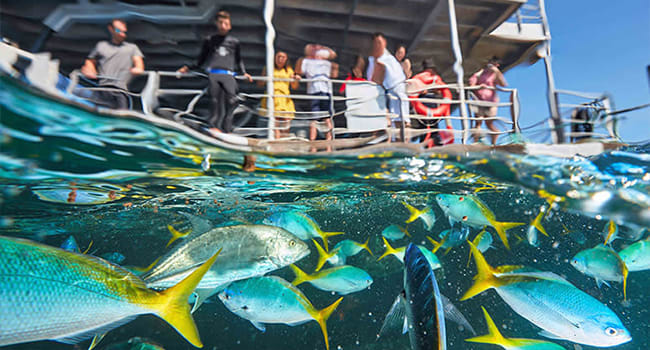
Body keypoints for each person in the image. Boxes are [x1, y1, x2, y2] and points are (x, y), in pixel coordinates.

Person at [178, 10, 252, 134]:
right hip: (214, 74)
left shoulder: (234, 42)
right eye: (221, 23)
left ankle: (227, 128)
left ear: (230, 25)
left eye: (226, 23)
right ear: (217, 24)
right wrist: (188, 68)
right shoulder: (210, 40)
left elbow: (239, 60)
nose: (223, 26)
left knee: (232, 100)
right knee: (214, 100)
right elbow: (201, 59)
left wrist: (244, 73)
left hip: (228, 74)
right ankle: (213, 126)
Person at [81, 19, 144, 109]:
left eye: (123, 32)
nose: (122, 34)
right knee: (97, 114)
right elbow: (90, 60)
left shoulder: (132, 48)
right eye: (118, 31)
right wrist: (90, 69)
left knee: (121, 116)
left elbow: (139, 63)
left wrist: (138, 68)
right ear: (111, 29)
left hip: (121, 90)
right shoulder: (101, 45)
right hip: (102, 89)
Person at [295, 44, 339, 148]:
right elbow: (299, 71)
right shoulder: (306, 61)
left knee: (326, 116)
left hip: (325, 90)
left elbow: (334, 71)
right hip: (313, 90)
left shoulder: (327, 63)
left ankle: (329, 138)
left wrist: (324, 48)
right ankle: (312, 139)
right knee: (314, 116)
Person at [367, 33, 409, 129]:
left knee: (402, 119)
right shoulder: (374, 59)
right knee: (394, 120)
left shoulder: (386, 58)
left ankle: (402, 139)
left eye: (380, 42)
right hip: (385, 90)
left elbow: (378, 75)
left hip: (396, 88)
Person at [258, 51, 300, 139]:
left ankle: (284, 141)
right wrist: (265, 77)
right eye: (278, 57)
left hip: (285, 98)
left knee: (286, 122)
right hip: (274, 97)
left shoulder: (289, 70)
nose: (280, 59)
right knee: (276, 122)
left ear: (286, 59)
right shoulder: (268, 68)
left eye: (283, 57)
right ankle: (277, 142)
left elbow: (294, 86)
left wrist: (295, 79)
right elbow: (260, 84)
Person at [468, 56, 507, 145]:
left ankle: (493, 144)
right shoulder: (480, 73)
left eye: (495, 63)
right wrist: (479, 86)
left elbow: (503, 84)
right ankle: (475, 143)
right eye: (491, 62)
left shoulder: (496, 74)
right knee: (478, 123)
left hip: (491, 102)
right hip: (479, 101)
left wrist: (497, 72)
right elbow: (471, 85)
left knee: (489, 123)